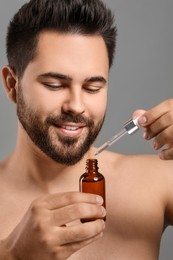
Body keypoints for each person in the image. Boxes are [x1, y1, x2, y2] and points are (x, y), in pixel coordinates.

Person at [0, 0, 173, 259]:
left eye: (92, 88)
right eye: (55, 85)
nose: (77, 106)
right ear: (13, 84)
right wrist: (11, 254)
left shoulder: (157, 182)